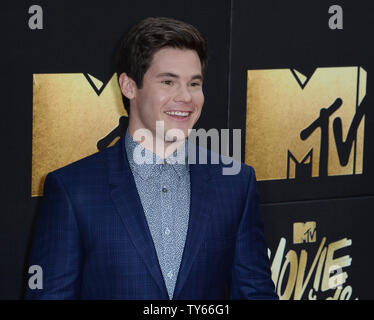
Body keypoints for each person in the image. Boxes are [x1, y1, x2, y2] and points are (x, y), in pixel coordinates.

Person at [25, 17, 278, 300]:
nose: (186, 97)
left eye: (194, 83)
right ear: (129, 86)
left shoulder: (234, 183)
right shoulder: (73, 189)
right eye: (168, 82)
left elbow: (255, 293)